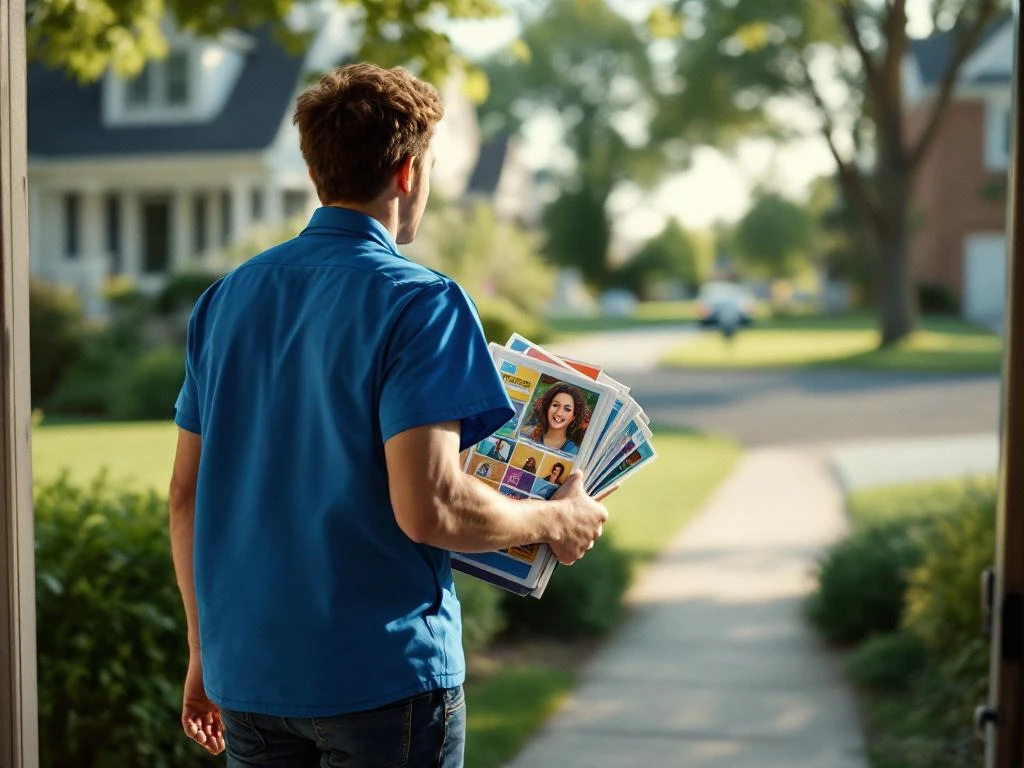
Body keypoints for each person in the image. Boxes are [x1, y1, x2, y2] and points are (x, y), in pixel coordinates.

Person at [167, 63, 610, 768]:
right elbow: (431, 508)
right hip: (381, 680)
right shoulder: (423, 302)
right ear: (408, 173)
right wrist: (555, 521)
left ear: (316, 171)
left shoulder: (223, 300)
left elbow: (185, 497)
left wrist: (202, 649)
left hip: (246, 676)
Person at [524, 383, 587, 456]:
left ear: (574, 416)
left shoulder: (572, 451)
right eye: (555, 405)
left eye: (567, 409)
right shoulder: (527, 433)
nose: (559, 413)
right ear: (547, 407)